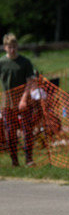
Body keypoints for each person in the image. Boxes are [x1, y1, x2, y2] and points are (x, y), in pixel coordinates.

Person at [0, 34, 36, 166]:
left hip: (24, 102)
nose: (12, 50)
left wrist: (24, 100)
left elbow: (30, 82)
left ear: (17, 46)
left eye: (14, 47)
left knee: (27, 130)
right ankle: (14, 160)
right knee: (10, 132)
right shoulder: (2, 63)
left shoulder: (25, 62)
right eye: (10, 47)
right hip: (7, 103)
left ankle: (29, 158)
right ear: (5, 48)